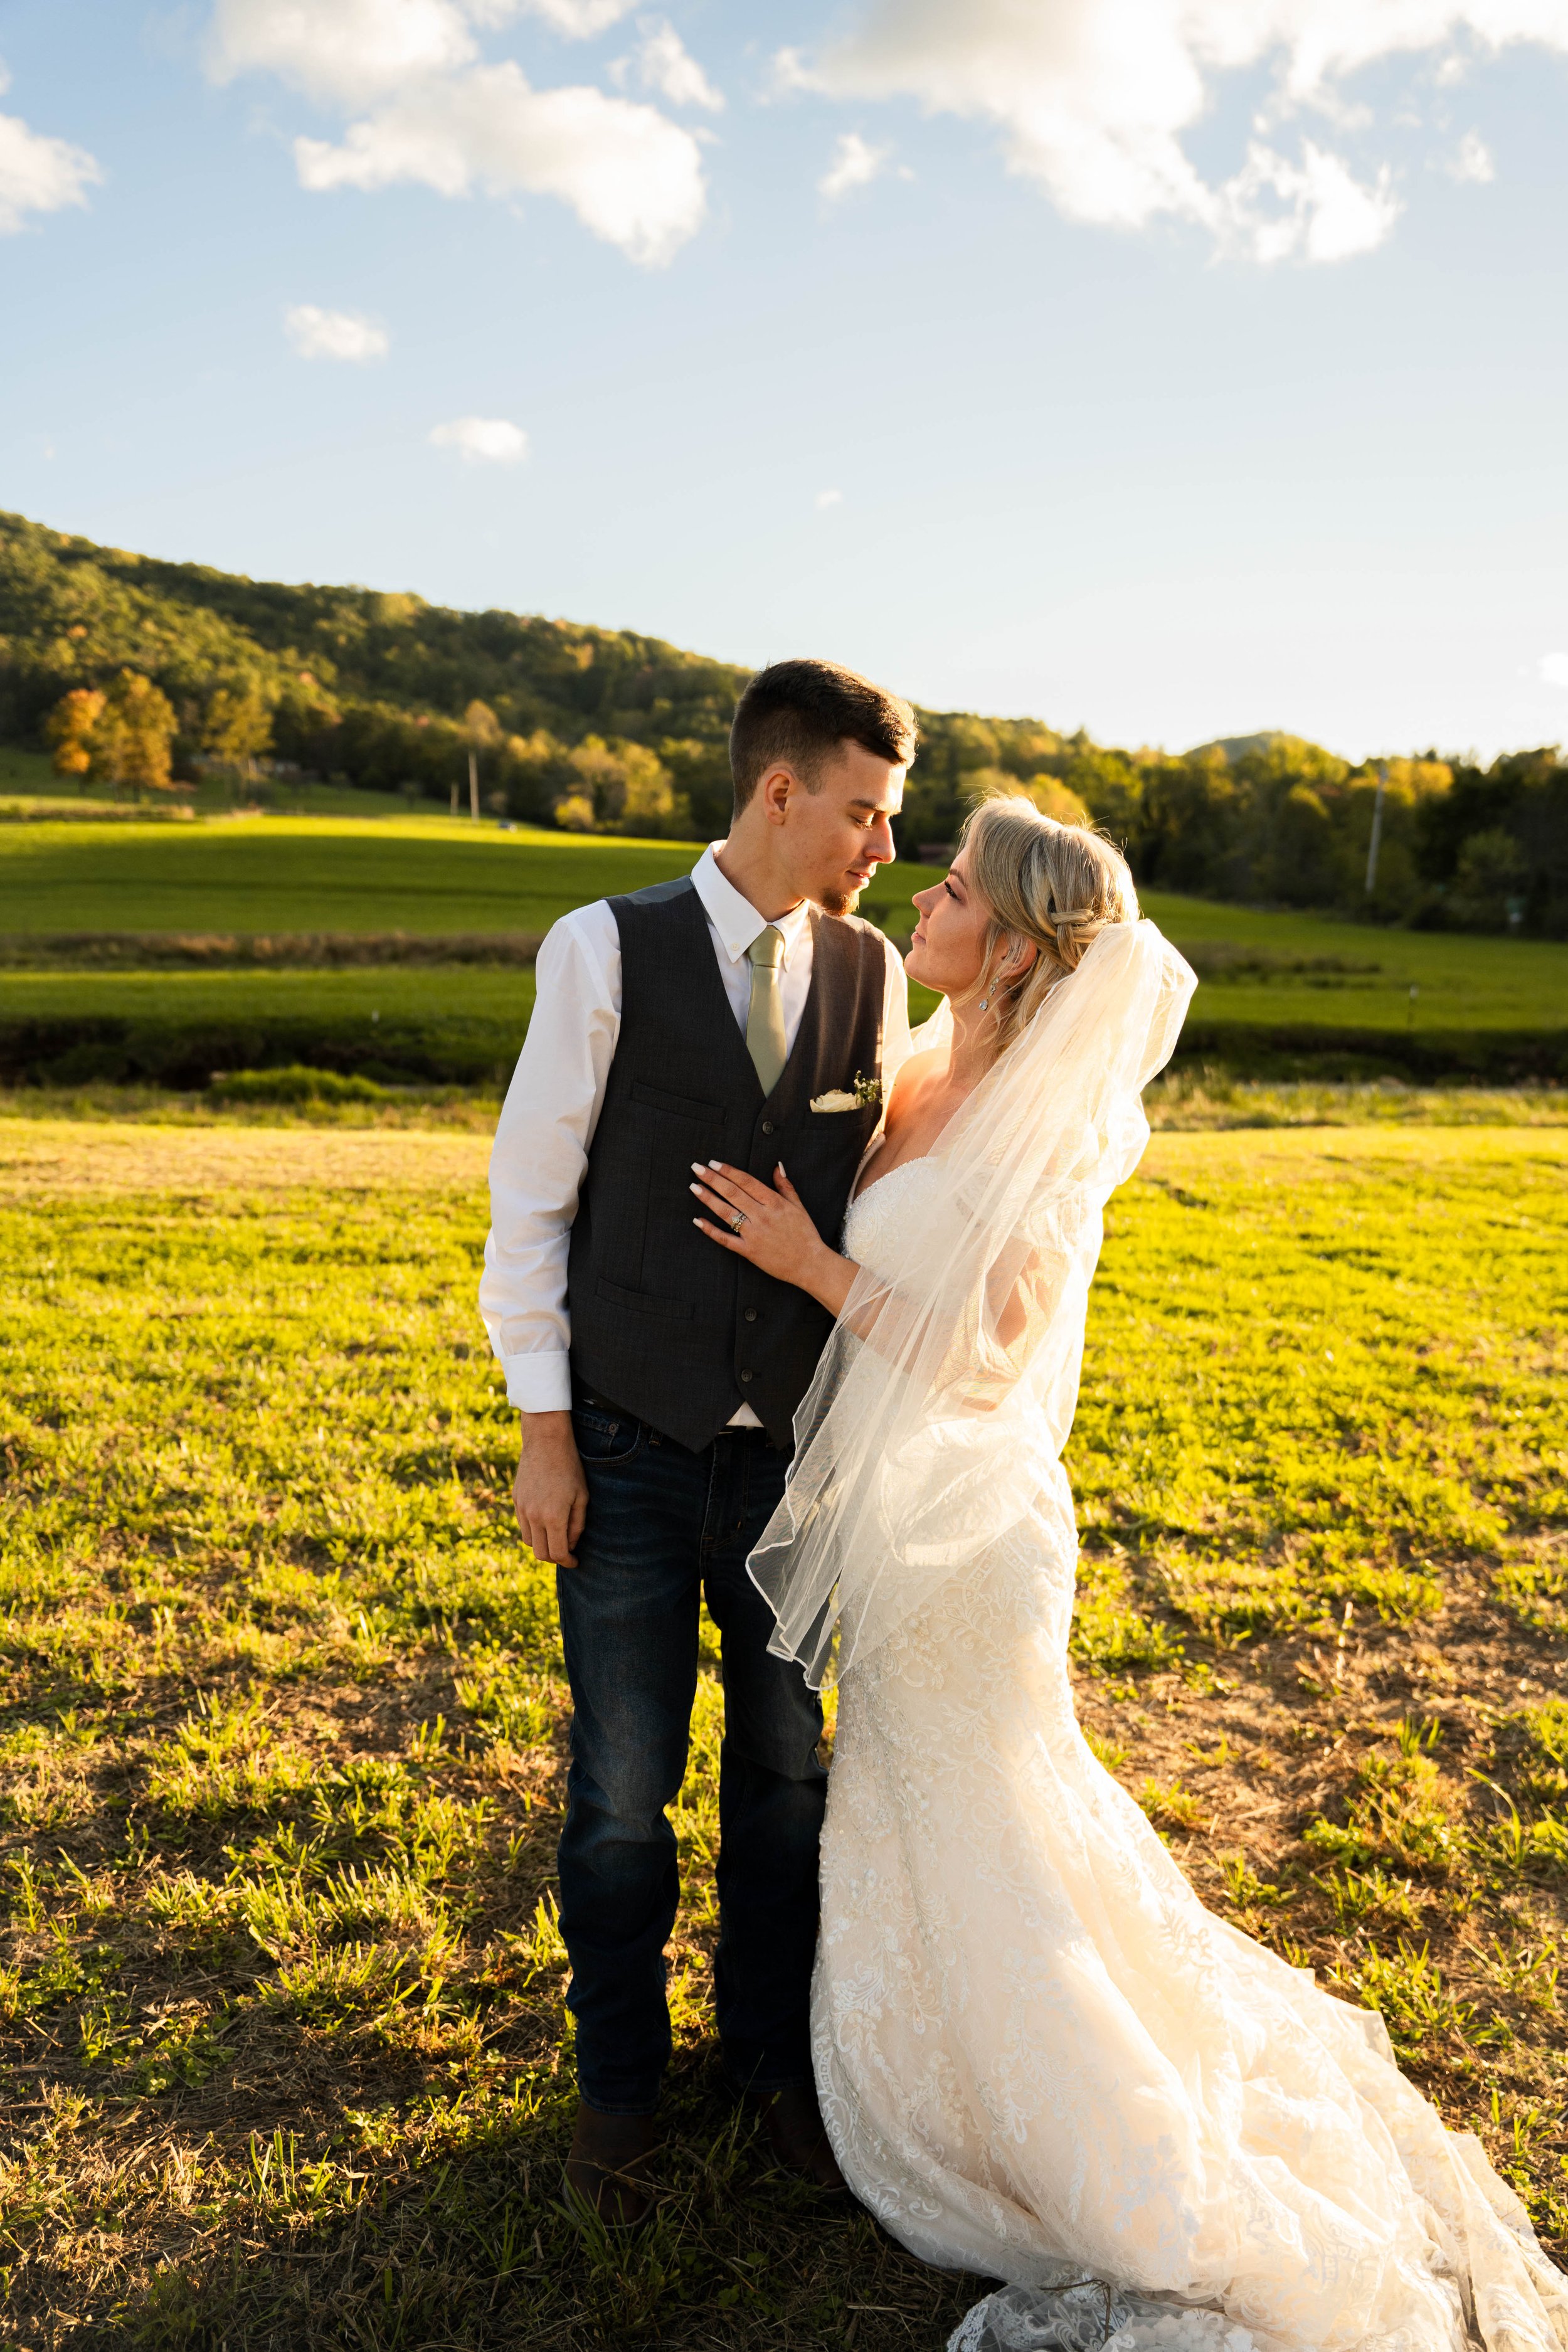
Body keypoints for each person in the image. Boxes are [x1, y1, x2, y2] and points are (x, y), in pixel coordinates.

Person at [687, 793, 1568, 2352]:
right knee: (915, 1800)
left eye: (947, 889)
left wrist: (810, 1266)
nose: (918, 906)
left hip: (976, 1540)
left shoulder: (1056, 1117)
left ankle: (1097, 2138)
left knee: (994, 1817)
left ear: (1012, 945)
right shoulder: (909, 1060)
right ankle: (935, 2079)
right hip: (895, 1524)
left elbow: (987, 1355)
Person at [480, 657, 918, 2224]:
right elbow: (529, 1204)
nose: (881, 848)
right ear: (779, 788)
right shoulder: (601, 948)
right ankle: (617, 2090)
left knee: (785, 1782)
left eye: (893, 820)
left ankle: (767, 2068)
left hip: (790, 1464)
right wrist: (546, 1431)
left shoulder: (876, 976)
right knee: (618, 1784)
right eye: (864, 814)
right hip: (627, 1440)